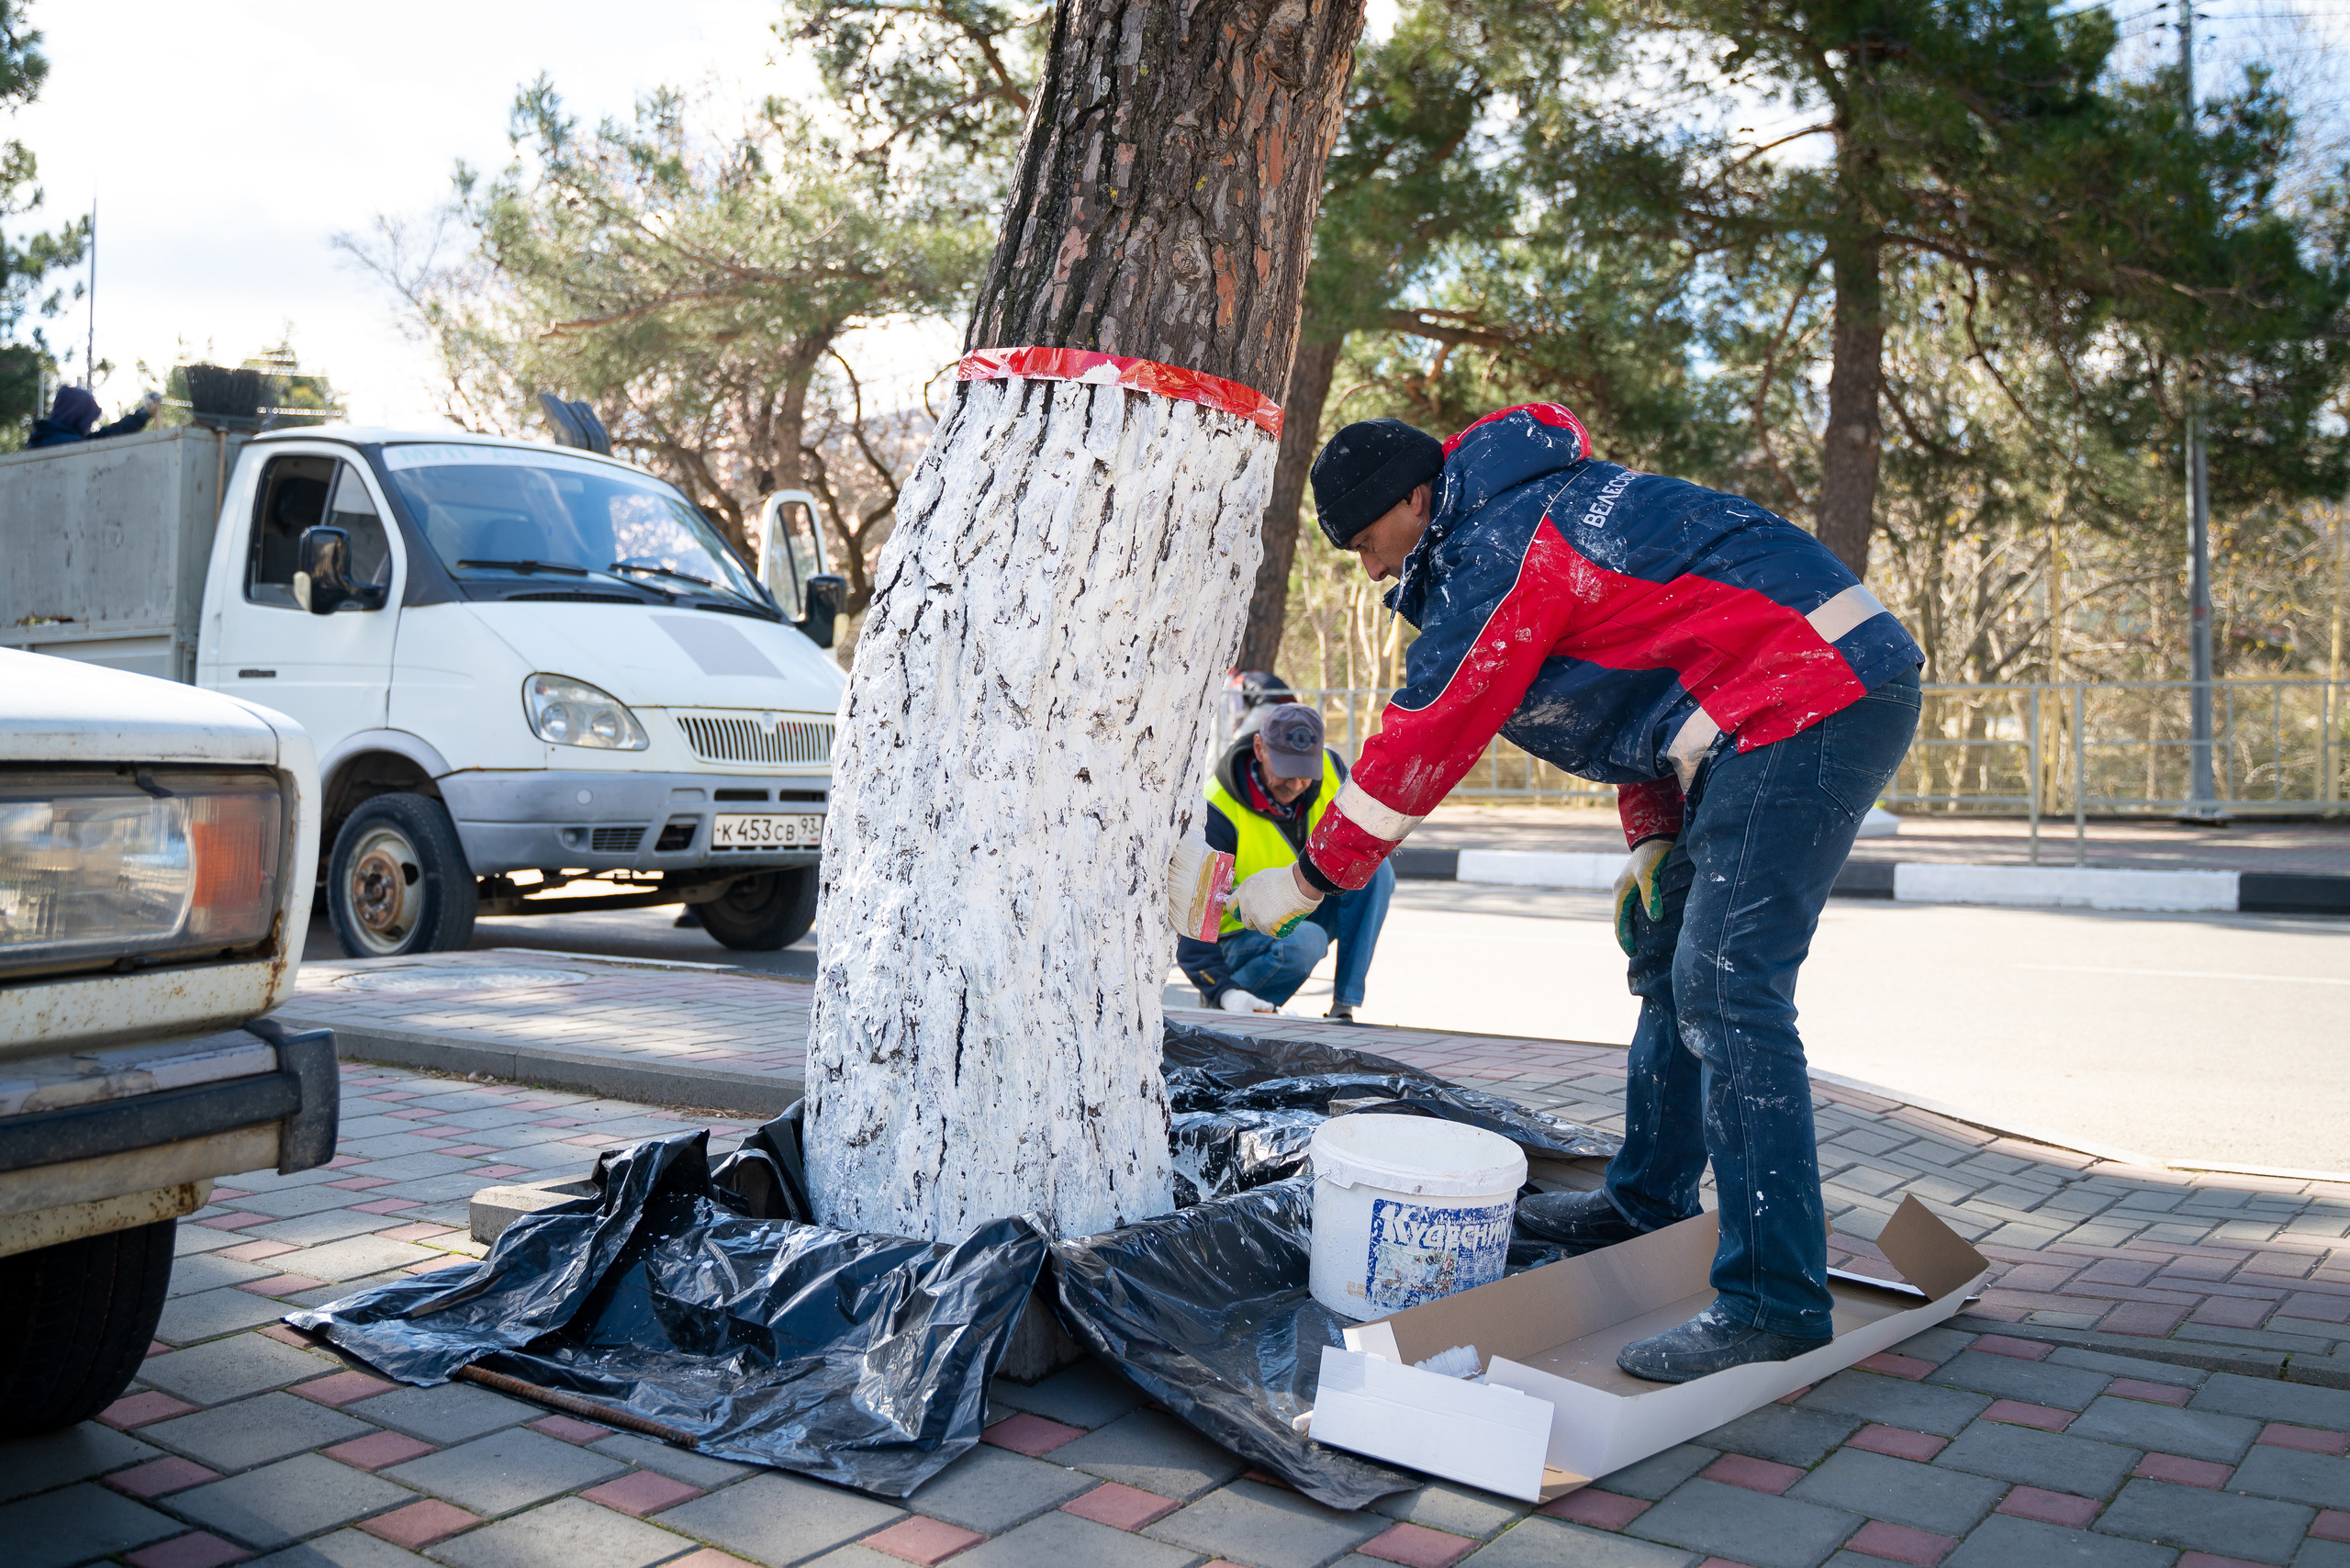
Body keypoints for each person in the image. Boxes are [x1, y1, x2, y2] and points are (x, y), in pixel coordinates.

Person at [1218, 405, 1922, 1384]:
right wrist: (1656, 835)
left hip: (1811, 697)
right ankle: (1646, 1203)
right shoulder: (1531, 523)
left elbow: (1432, 728)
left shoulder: (1504, 544)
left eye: (1366, 541)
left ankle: (1775, 1299)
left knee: (1728, 986)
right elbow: (1640, 693)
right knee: (1668, 966)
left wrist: (1304, 877)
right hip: (1751, 708)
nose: (1371, 569)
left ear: (1416, 500)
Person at [1177, 702, 1393, 1023]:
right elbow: (1191, 932)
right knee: (1306, 942)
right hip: (1237, 944)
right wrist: (1223, 991)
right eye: (1285, 771)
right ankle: (1239, 1007)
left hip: (1297, 913)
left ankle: (1343, 1009)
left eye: (1305, 774)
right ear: (1260, 749)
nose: (1295, 785)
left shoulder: (1333, 771)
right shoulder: (1217, 812)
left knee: (1374, 872)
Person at [28, 386, 161, 449]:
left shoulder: (40, 439)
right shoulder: (68, 445)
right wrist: (144, 413)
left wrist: (143, 413)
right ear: (77, 415)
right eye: (87, 420)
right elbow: (106, 436)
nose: (89, 426)